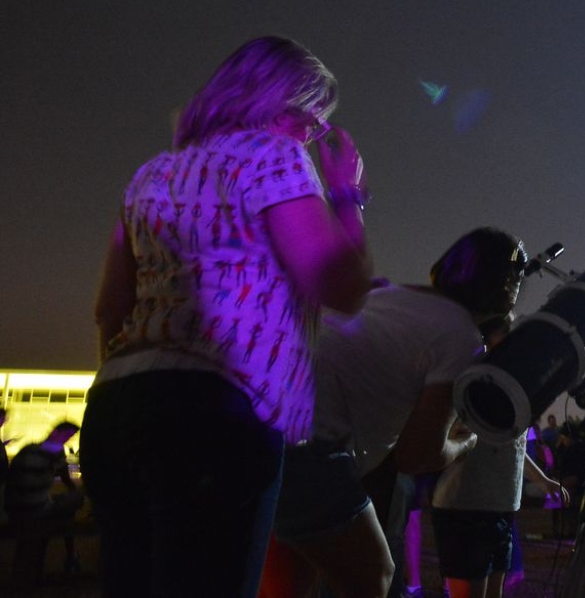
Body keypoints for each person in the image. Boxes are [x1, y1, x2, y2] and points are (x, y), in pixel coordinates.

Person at [83, 36, 373, 598]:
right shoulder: (274, 156)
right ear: (278, 105)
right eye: (311, 122)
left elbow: (109, 309)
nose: (311, 139)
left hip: (117, 407)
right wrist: (346, 195)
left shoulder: (152, 174)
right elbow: (341, 286)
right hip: (218, 415)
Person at [262, 227, 529, 598]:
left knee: (292, 584)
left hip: (263, 418)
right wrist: (465, 442)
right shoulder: (461, 337)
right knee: (375, 577)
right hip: (308, 444)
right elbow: (417, 454)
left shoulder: (390, 294)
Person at [431, 312, 566, 598]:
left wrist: (542, 480)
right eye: (506, 330)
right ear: (484, 336)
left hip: (502, 506)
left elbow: (512, 446)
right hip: (465, 507)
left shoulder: (512, 383)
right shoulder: (466, 378)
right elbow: (443, 433)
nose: (515, 337)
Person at [4, 421, 87, 573]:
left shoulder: (29, 449)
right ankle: (71, 558)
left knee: (64, 509)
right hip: (35, 509)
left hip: (14, 508)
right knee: (76, 500)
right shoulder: (55, 453)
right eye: (68, 435)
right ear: (56, 433)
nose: (68, 438)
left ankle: (69, 556)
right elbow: (67, 481)